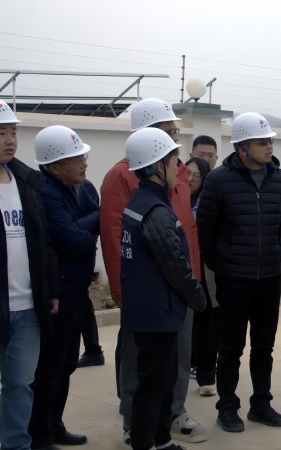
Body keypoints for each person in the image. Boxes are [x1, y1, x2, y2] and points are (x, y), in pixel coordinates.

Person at [99, 98, 206, 445]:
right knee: (142, 365)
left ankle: (171, 415)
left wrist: (192, 280)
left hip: (177, 287)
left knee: (175, 359)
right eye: (169, 130)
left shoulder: (177, 173)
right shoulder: (121, 177)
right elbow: (115, 238)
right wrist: (122, 291)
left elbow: (187, 231)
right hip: (150, 292)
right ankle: (136, 423)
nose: (175, 136)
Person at [197, 112, 281, 433]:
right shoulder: (218, 180)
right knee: (231, 348)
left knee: (264, 346)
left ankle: (261, 404)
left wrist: (272, 256)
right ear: (242, 147)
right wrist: (224, 263)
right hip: (234, 279)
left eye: (270, 141)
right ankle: (227, 406)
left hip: (269, 278)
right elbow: (205, 231)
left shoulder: (280, 179)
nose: (269, 147)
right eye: (262, 142)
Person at [0, 96, 57, 450]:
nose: (10, 140)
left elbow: (44, 241)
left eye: (13, 132)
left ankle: (16, 446)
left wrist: (50, 289)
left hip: (27, 308)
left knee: (20, 386)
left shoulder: (27, 182)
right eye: (1, 132)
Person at [29, 126, 98, 449]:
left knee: (67, 361)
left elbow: (87, 225)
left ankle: (54, 424)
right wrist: (90, 223)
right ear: (55, 167)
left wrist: (84, 224)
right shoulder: (46, 193)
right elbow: (73, 241)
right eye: (76, 159)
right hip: (58, 292)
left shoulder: (77, 188)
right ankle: (40, 433)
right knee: (50, 365)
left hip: (76, 290)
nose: (84, 163)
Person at [185, 156, 219, 397]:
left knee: (208, 322)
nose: (190, 179)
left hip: (206, 270)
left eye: (196, 176)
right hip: (183, 269)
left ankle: (207, 376)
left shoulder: (208, 201)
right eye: (187, 174)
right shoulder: (175, 198)